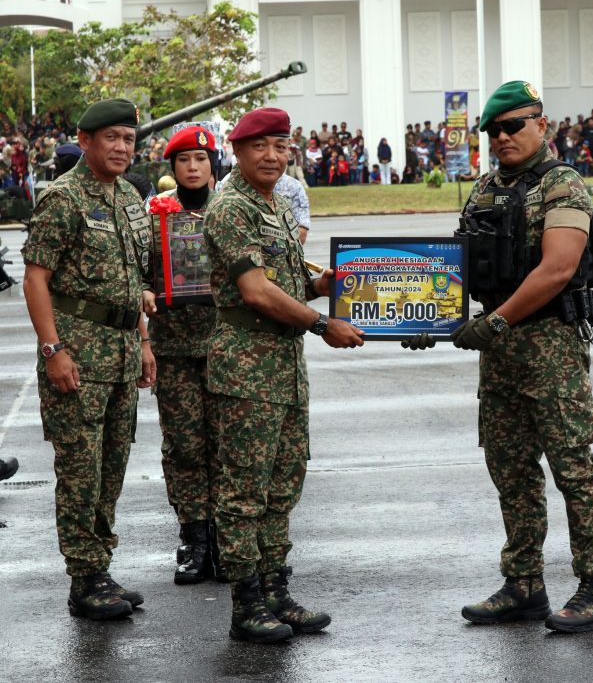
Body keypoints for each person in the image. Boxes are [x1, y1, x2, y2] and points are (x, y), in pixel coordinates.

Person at [446, 80, 593, 633]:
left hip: (548, 345)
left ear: (541, 125)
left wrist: (494, 323)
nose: (502, 137)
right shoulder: (485, 188)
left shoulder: (561, 184)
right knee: (510, 468)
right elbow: (457, 268)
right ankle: (523, 584)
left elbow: (558, 268)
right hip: (497, 349)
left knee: (572, 467)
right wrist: (428, 314)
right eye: (493, 130)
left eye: (513, 126)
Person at [203, 107, 365, 644]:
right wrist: (323, 323)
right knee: (244, 491)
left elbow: (289, 283)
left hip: (282, 368)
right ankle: (245, 602)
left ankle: (276, 589)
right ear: (237, 149)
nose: (272, 156)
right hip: (246, 368)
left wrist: (339, 283)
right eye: (260, 147)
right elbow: (255, 291)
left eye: (281, 146)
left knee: (282, 485)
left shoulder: (272, 204)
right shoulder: (231, 206)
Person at [21, 98, 155, 620]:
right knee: (80, 470)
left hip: (121, 354)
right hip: (77, 356)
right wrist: (53, 350)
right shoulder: (63, 197)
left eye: (129, 138)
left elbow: (134, 282)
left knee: (111, 468)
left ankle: (100, 565)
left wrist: (143, 342)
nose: (123, 148)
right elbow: (37, 278)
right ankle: (83, 580)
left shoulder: (127, 196)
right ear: (86, 139)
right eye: (112, 138)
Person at [143, 125, 223, 585]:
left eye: (200, 160)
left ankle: (226, 539)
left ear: (214, 165)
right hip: (173, 348)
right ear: (171, 168)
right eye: (183, 161)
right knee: (184, 447)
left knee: (225, 447)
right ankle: (194, 539)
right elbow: (134, 270)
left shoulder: (230, 213)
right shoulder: (155, 217)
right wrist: (143, 292)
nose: (192, 168)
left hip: (224, 348)